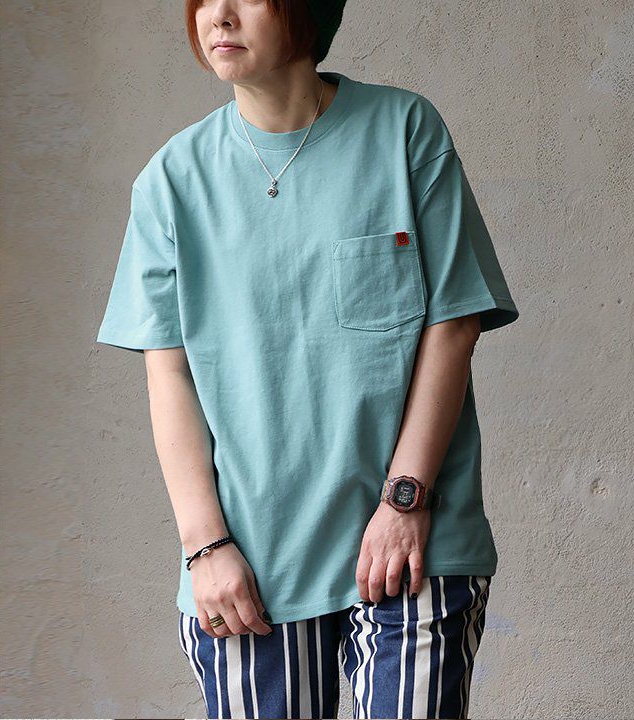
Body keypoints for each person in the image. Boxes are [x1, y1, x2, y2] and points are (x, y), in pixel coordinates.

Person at [96, 0, 520, 717]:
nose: (219, 16)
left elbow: (454, 323)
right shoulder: (170, 182)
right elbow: (168, 376)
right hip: (249, 566)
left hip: (413, 540)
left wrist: (406, 500)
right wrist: (205, 548)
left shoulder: (403, 131)